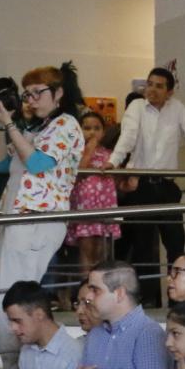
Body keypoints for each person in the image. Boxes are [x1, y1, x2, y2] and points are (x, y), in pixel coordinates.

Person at [0, 64, 85, 369]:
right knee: (6, 297)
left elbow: (39, 163)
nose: (30, 99)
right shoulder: (37, 128)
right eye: (26, 93)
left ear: (58, 93)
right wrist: (2, 124)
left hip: (37, 219)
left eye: (37, 92)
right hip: (16, 217)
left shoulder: (66, 125)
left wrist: (12, 125)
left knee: (7, 299)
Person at [103, 67, 185, 305]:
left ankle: (179, 300)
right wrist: (113, 161)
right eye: (149, 84)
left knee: (175, 244)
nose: (151, 90)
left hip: (166, 186)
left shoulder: (177, 109)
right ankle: (147, 301)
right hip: (140, 186)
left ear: (170, 92)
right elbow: (128, 136)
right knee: (143, 248)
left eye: (159, 86)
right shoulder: (137, 108)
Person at [68, 109, 123, 275]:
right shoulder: (75, 152)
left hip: (104, 206)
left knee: (102, 250)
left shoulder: (110, 154)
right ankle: (86, 285)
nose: (92, 132)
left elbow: (118, 179)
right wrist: (89, 149)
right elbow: (78, 172)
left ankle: (101, 285)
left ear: (104, 131)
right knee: (86, 248)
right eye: (87, 128)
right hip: (84, 208)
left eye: (97, 128)